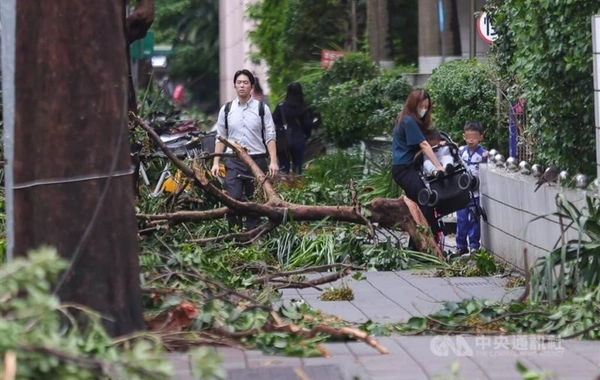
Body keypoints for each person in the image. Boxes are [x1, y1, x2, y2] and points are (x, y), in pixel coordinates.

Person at [211, 69, 279, 231]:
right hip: (233, 161)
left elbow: (270, 135)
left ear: (252, 86)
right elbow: (221, 136)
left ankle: (252, 234)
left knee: (254, 200)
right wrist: (216, 162)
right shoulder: (226, 110)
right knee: (233, 198)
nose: (242, 86)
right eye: (239, 82)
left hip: (257, 160)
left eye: (245, 83)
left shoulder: (262, 109)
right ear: (234, 85)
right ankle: (235, 234)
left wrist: (274, 161)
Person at [392, 88, 445, 239]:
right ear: (413, 104)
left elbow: (427, 139)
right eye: (421, 106)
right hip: (404, 169)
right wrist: (438, 166)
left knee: (419, 205)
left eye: (426, 107)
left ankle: (417, 246)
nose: (424, 110)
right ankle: (430, 239)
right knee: (425, 200)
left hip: (408, 167)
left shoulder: (408, 119)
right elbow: (424, 144)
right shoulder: (408, 120)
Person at [454, 121, 488, 256]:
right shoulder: (460, 152)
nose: (471, 139)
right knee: (461, 218)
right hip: (462, 192)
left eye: (474, 136)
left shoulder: (484, 154)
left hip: (476, 193)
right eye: (468, 136)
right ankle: (461, 245)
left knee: (474, 218)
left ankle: (474, 245)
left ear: (480, 137)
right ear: (464, 136)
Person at [272, 82, 313, 175]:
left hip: (283, 140)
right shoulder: (304, 108)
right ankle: (297, 186)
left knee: (283, 168)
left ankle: (284, 186)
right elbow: (308, 125)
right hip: (298, 139)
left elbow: (273, 120)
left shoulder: (281, 106)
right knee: (298, 167)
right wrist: (305, 136)